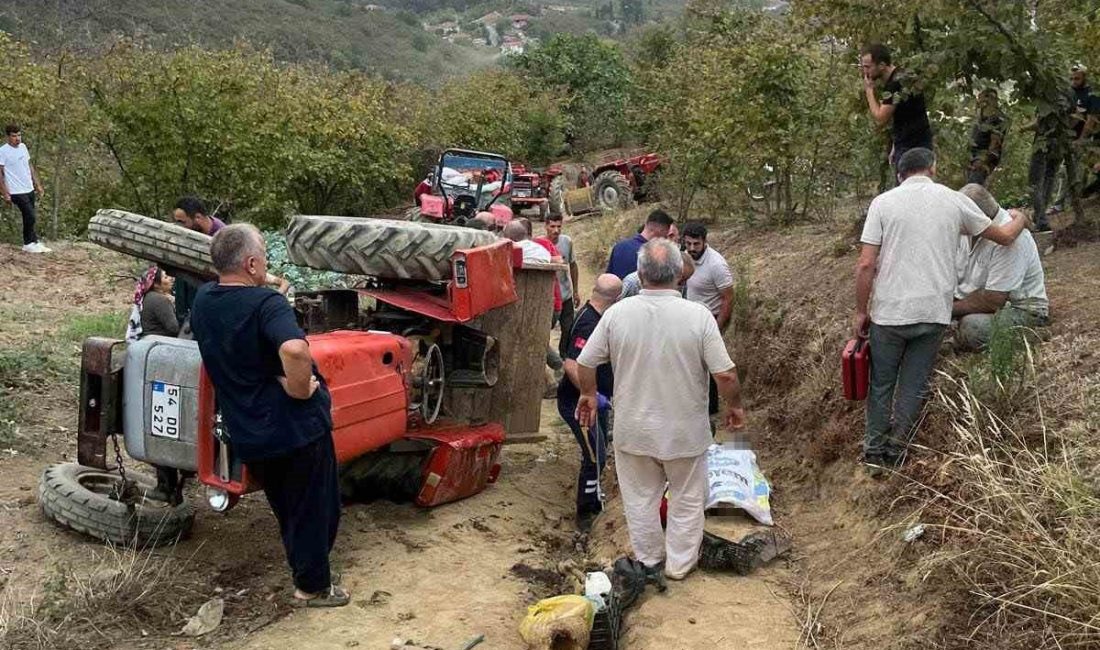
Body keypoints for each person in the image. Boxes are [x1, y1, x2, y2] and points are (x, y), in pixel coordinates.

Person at [190, 224, 348, 608]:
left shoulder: (204, 301)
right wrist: (298, 387)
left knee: (288, 508)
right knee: (315, 509)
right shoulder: (267, 306)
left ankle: (307, 573)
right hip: (294, 429)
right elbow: (295, 350)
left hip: (249, 430)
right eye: (263, 255)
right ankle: (312, 588)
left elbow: (241, 344)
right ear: (251, 263)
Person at [576, 238, 746, 582]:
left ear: (639, 273)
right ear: (679, 275)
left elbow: (586, 361)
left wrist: (589, 394)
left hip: (633, 430)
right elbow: (725, 373)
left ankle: (650, 559)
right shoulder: (698, 316)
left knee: (640, 499)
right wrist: (735, 406)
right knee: (686, 497)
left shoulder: (617, 314)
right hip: (685, 431)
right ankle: (680, 565)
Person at [854, 148, 1030, 477]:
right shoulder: (954, 200)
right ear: (933, 168)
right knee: (913, 385)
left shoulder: (883, 203)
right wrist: (1020, 216)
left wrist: (860, 312)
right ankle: (897, 453)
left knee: (881, 384)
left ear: (900, 173)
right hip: (933, 313)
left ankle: (873, 453)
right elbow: (1005, 236)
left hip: (889, 314)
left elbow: (865, 264)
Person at [556, 274, 623, 531]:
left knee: (600, 451)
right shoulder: (588, 324)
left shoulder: (595, 317)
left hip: (594, 401)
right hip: (579, 404)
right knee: (594, 455)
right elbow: (572, 363)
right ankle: (585, 514)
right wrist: (591, 393)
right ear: (616, 299)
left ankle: (595, 499)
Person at [953, 184, 1049, 351]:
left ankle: (1033, 332)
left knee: (972, 328)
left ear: (975, 218)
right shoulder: (968, 231)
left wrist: (947, 311)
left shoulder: (1013, 237)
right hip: (980, 303)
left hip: (1019, 310)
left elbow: (993, 301)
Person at [860, 44, 933, 177]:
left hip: (909, 146)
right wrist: (895, 144)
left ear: (882, 65)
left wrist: (869, 91)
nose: (865, 72)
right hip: (921, 141)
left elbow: (880, 117)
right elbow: (907, 114)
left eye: (867, 67)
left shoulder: (894, 85)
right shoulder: (904, 76)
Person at [0, 124, 49, 253]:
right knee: (30, 215)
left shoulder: (23, 147)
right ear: (8, 137)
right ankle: (27, 243)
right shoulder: (3, 151)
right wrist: (5, 193)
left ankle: (34, 241)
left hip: (28, 187)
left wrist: (37, 184)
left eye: (19, 135)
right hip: (16, 190)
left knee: (30, 216)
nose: (17, 138)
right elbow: (0, 173)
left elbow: (29, 166)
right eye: (14, 136)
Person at [545, 214, 581, 359]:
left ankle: (564, 356)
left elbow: (573, 266)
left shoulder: (566, 242)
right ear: (546, 226)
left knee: (568, 329)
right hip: (549, 298)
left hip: (566, 295)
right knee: (545, 329)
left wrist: (576, 291)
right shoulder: (540, 245)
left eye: (559, 226)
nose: (556, 230)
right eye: (552, 226)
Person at [606, 209, 674, 278]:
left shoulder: (619, 247)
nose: (665, 239)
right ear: (661, 230)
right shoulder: (652, 254)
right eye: (666, 236)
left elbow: (608, 277)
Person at [125, 265, 180, 341]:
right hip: (160, 342)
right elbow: (174, 328)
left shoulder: (147, 297)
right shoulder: (160, 300)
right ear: (156, 284)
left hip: (147, 340)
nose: (171, 279)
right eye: (166, 277)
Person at [967, 89, 1008, 186]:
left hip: (982, 159)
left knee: (973, 188)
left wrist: (983, 161)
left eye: (981, 97)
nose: (979, 100)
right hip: (974, 158)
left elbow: (995, 144)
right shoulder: (981, 116)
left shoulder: (997, 118)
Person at [620, 252, 694, 299]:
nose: (683, 285)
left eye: (686, 280)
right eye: (680, 281)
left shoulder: (682, 283)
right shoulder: (632, 283)